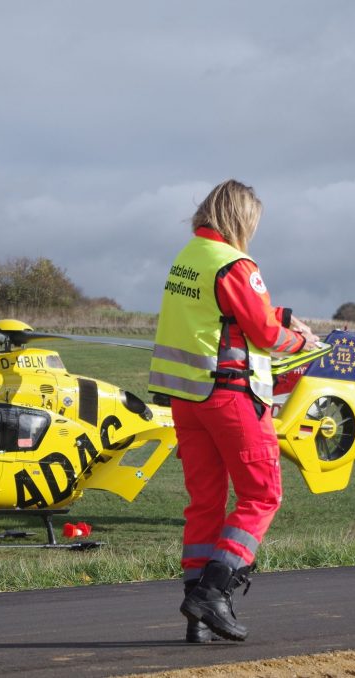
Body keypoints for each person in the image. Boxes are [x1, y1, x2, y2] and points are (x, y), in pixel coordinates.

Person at [148, 179, 320, 643]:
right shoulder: (237, 263)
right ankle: (214, 590)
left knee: (205, 502)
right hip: (232, 396)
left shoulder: (188, 259)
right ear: (241, 219)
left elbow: (221, 313)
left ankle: (197, 615)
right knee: (262, 495)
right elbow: (263, 335)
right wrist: (302, 341)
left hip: (188, 400)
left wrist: (278, 314)